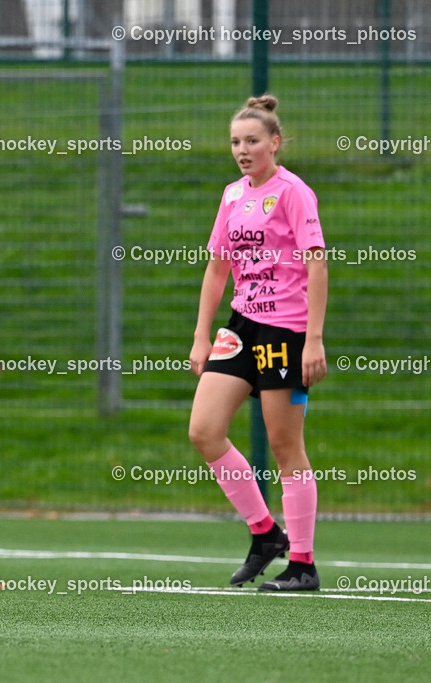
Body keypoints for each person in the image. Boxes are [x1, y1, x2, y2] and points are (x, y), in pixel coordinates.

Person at [188, 95, 328, 592]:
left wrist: (313, 340)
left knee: (286, 447)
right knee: (204, 431)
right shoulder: (232, 195)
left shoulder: (294, 193)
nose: (242, 150)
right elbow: (217, 267)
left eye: (252, 141)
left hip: (286, 334)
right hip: (241, 328)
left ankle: (303, 565)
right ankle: (265, 533)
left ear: (275, 143)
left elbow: (316, 262)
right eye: (235, 142)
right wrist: (202, 335)